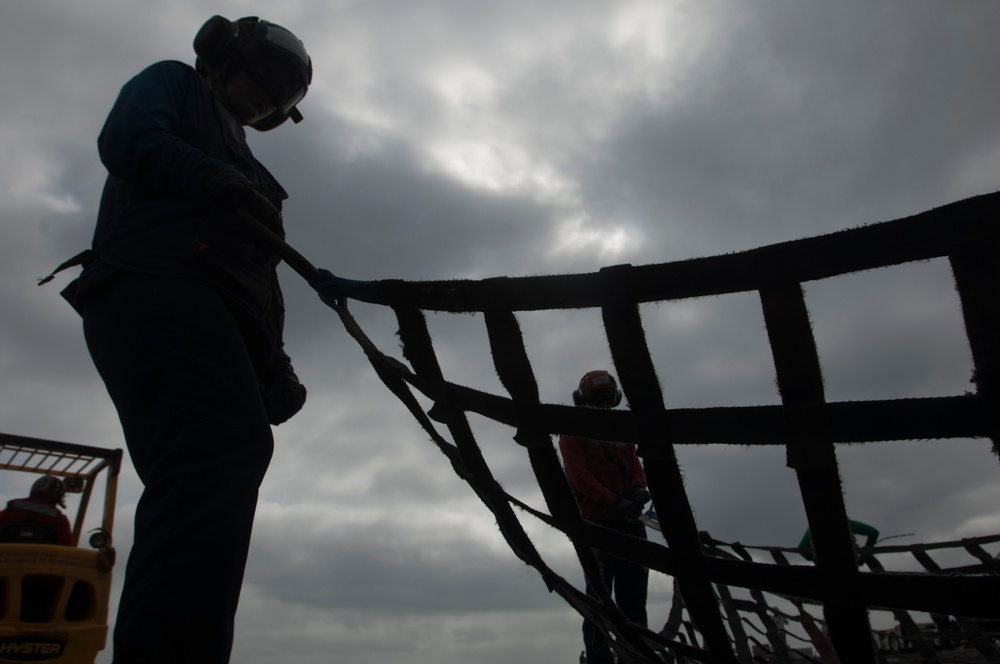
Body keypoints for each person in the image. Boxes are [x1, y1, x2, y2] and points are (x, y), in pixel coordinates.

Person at [47, 15, 312, 664]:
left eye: (282, 97)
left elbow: (258, 277)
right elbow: (126, 137)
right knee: (217, 455)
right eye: (264, 78)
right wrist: (206, 175)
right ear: (223, 55)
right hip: (153, 283)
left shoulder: (254, 173)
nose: (267, 98)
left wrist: (273, 362)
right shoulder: (174, 87)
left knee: (228, 458)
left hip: (206, 306)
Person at [558, 370, 651, 664]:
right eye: (599, 401)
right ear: (584, 400)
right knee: (600, 604)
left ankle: (634, 658)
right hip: (597, 527)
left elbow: (634, 460)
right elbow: (579, 477)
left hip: (632, 525)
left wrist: (638, 488)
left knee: (634, 604)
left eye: (607, 401)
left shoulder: (620, 427)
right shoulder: (572, 432)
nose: (603, 407)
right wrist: (615, 501)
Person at [0, 476, 73, 545]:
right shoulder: (60, 519)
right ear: (57, 494)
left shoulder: (10, 510)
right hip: (42, 558)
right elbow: (67, 548)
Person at [797, 519, 880, 563]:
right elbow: (873, 532)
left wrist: (816, 560)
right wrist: (863, 556)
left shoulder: (813, 528)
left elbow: (802, 549)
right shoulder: (847, 523)